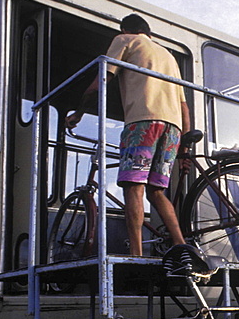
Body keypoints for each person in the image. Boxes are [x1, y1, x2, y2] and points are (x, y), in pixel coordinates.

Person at [66, 13, 191, 256]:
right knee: (156, 191)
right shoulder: (168, 56)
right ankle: (181, 245)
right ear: (150, 34)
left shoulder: (125, 39)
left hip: (143, 123)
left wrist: (79, 113)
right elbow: (184, 106)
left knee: (133, 187)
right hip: (173, 128)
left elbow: (103, 79)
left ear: (126, 29)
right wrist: (184, 144)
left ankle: (136, 254)